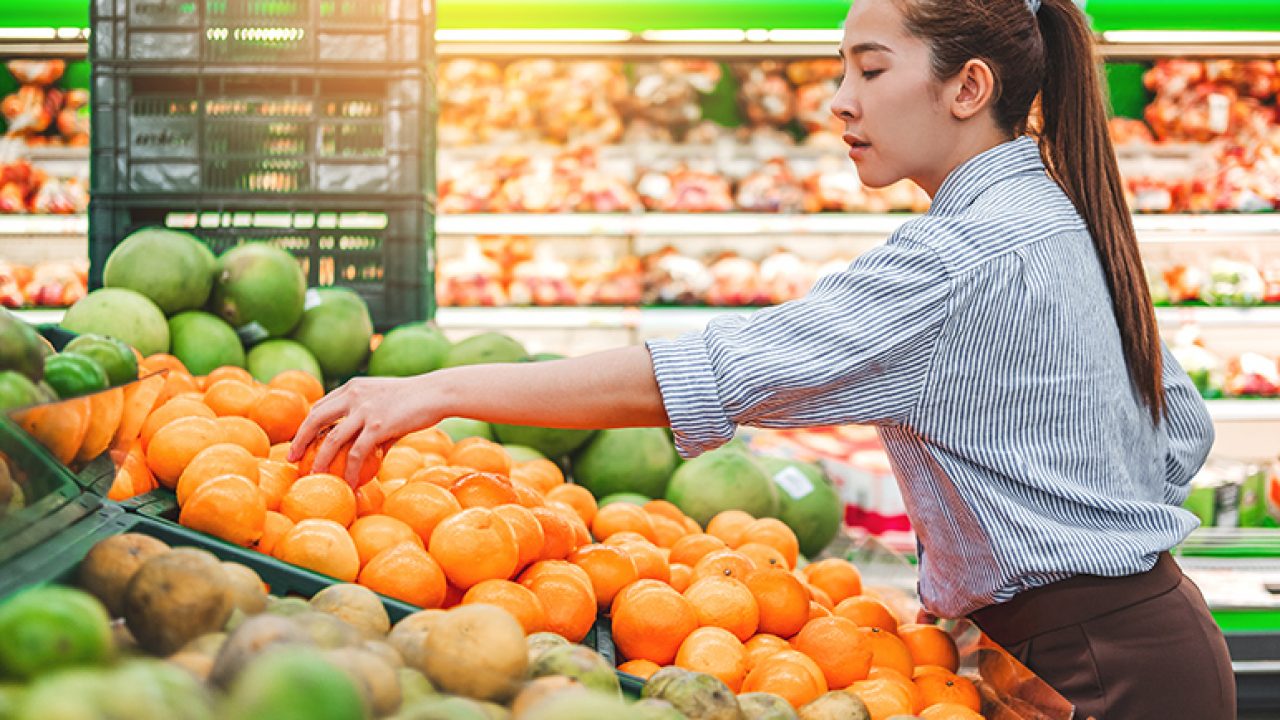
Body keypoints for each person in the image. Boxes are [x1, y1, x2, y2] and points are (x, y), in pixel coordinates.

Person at [290, 0, 1236, 715]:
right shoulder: (1057, 213)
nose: (838, 102)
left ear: (968, 87)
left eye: (869, 70)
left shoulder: (958, 256)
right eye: (840, 70)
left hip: (1099, 672)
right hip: (1137, 639)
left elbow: (708, 374)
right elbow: (1179, 428)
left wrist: (440, 388)